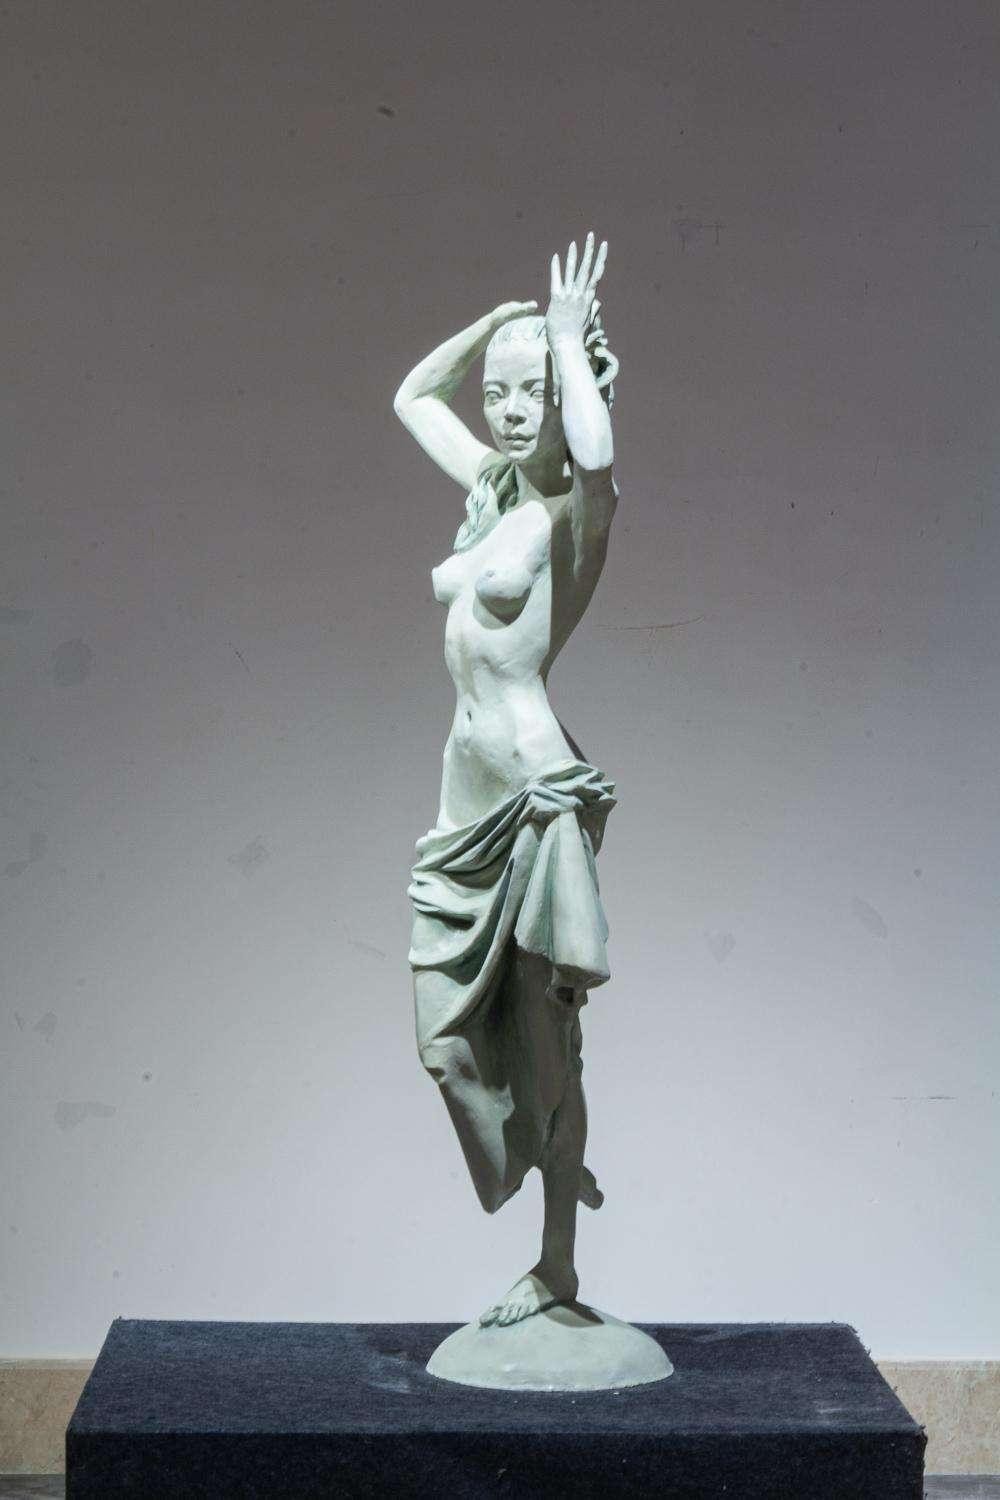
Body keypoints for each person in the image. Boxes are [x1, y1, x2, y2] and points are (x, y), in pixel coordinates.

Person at [395, 233, 620, 1328]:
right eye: (501, 393)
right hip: (465, 807)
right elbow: (411, 397)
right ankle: (540, 1148)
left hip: (535, 804)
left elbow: (597, 453)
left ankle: (556, 1261)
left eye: (532, 392)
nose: (513, 409)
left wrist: (565, 342)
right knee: (443, 1041)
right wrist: (491, 330)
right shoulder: (491, 487)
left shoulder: (574, 517)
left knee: (547, 1044)